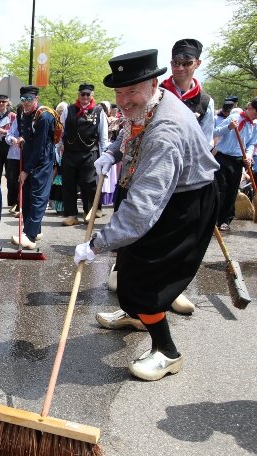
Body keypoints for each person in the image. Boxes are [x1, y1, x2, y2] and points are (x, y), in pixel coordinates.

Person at [78, 49, 219, 381]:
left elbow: (141, 211)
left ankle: (167, 351)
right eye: (120, 92)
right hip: (149, 187)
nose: (125, 100)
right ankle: (136, 314)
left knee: (142, 281)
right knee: (128, 259)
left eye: (132, 91)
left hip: (181, 203)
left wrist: (96, 244)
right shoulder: (148, 104)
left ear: (153, 83)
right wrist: (112, 153)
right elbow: (129, 133)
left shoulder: (166, 131)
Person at [11, 86, 55, 249]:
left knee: (37, 196)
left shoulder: (44, 117)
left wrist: (26, 170)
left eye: (30, 99)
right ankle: (35, 230)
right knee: (28, 195)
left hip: (42, 159)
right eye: (23, 100)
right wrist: (23, 139)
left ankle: (29, 237)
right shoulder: (21, 112)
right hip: (29, 155)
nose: (26, 103)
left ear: (36, 99)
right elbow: (28, 135)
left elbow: (40, 147)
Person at [59, 83, 109, 226]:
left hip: (89, 153)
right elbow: (61, 131)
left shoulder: (99, 111)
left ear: (92, 95)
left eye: (88, 94)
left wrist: (105, 155)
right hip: (70, 153)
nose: (85, 97)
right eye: (83, 94)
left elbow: (103, 137)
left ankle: (89, 212)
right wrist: (59, 146)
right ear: (78, 95)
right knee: (68, 184)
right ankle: (71, 214)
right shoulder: (68, 110)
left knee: (88, 184)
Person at [212, 98, 257, 232]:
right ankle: (213, 219)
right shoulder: (234, 117)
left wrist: (248, 156)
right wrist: (229, 127)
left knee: (232, 190)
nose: (256, 116)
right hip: (223, 157)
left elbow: (250, 144)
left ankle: (225, 220)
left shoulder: (254, 125)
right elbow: (215, 132)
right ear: (249, 108)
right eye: (255, 113)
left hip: (238, 160)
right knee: (220, 188)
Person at [159, 39, 214, 146]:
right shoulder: (157, 94)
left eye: (186, 63)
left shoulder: (205, 101)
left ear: (197, 63)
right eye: (176, 63)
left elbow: (206, 139)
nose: (180, 68)